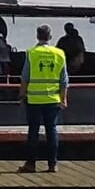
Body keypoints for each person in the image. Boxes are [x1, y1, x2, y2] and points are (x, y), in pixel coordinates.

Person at [18, 24, 69, 173]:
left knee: (33, 131)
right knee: (51, 131)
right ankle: (52, 164)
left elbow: (25, 77)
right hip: (53, 99)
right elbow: (64, 79)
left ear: (37, 36)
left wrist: (21, 95)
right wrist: (64, 98)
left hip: (34, 99)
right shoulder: (59, 53)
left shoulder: (31, 53)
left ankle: (30, 164)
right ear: (50, 37)